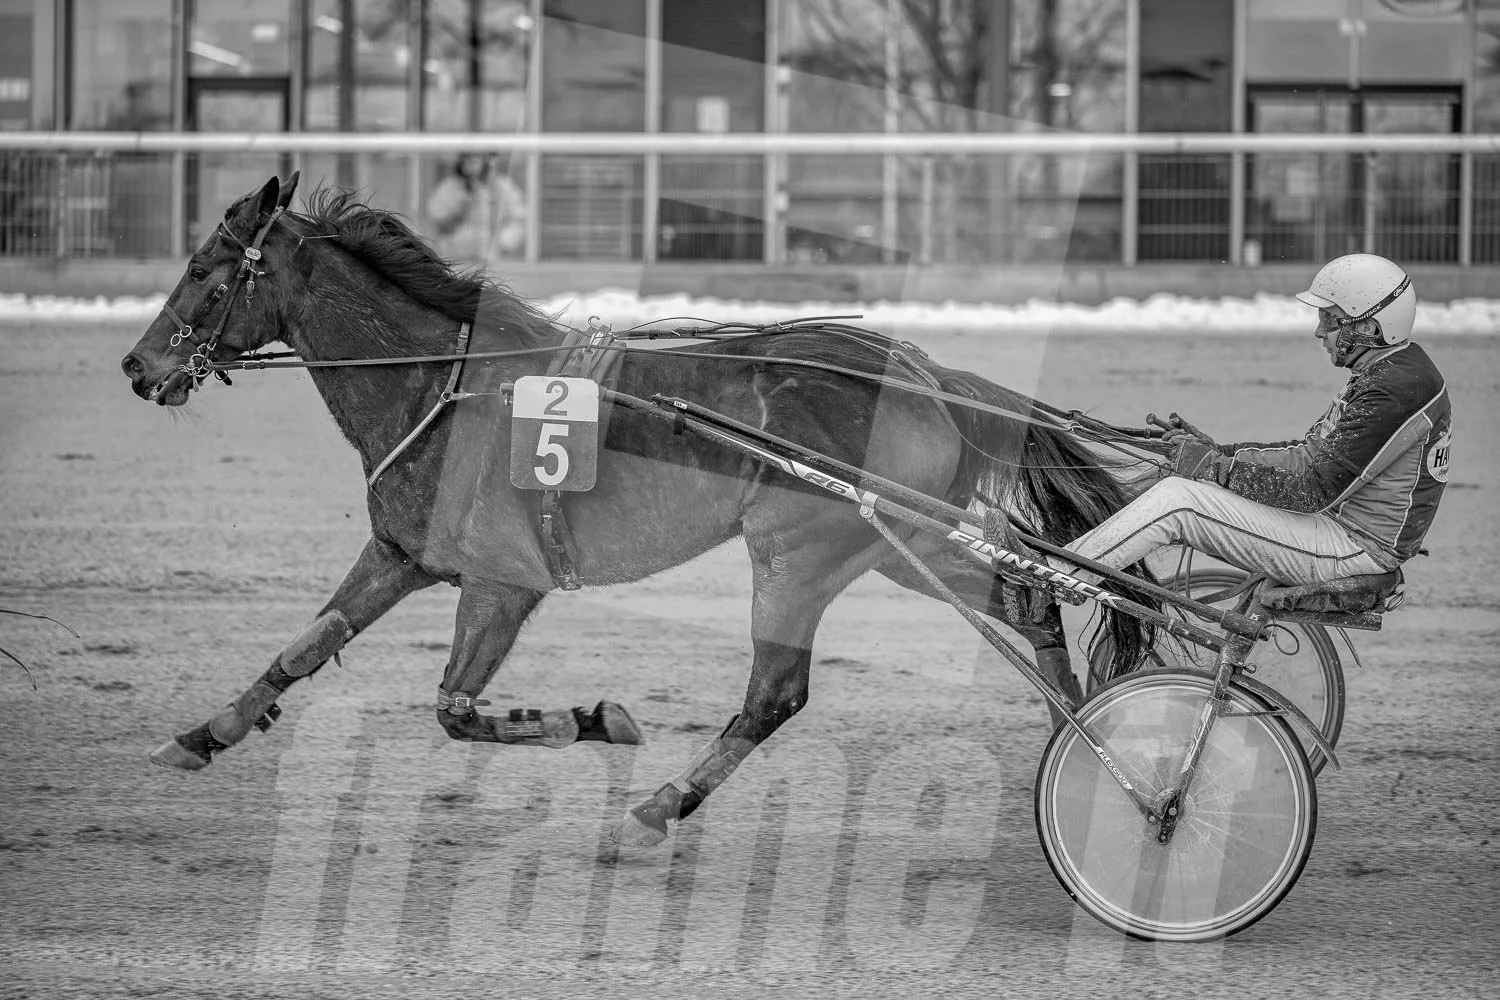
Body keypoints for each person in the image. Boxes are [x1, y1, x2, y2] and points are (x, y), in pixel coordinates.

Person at [1050, 253, 1452, 591]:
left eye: (1329, 321)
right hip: (1335, 526)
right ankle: (1061, 550)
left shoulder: (1394, 389)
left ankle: (1053, 578)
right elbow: (1306, 458)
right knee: (1178, 481)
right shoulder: (1391, 372)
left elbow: (1313, 492)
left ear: (1367, 326)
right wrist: (1218, 455)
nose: (1319, 332)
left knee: (1179, 500)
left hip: (1355, 547)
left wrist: (1214, 469)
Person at [426, 154, 526, 264]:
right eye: (468, 159)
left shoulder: (502, 187)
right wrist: (459, 207)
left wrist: (503, 245)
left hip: (494, 260)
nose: (472, 166)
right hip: (455, 259)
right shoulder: (448, 187)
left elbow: (518, 219)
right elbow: (437, 217)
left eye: (477, 159)